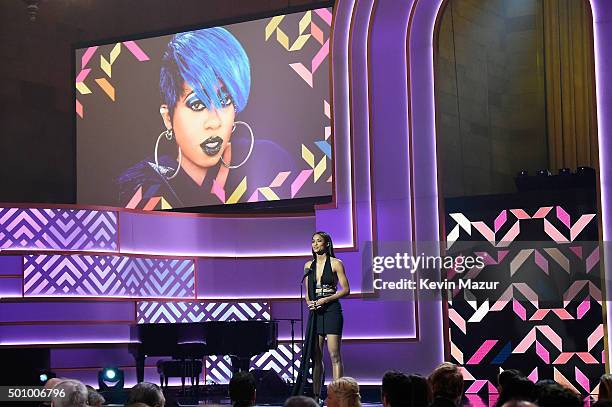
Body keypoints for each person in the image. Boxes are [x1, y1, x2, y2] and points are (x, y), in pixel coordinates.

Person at [118, 27, 252, 208]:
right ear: (167, 117)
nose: (214, 122)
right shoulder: (142, 189)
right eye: (197, 104)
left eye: (225, 100)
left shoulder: (269, 161)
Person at [292, 232, 350, 401]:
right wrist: (310, 302)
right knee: (316, 356)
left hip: (331, 310)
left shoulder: (336, 263)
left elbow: (346, 289)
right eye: (313, 241)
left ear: (327, 244)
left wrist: (326, 299)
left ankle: (338, 396)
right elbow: (308, 291)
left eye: (319, 241)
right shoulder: (308, 265)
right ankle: (316, 397)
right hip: (315, 312)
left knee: (334, 355)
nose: (315, 244)